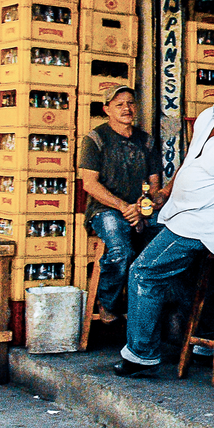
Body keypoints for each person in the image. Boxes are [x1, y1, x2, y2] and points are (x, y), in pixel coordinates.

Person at [113, 64, 214, 378]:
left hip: (204, 223)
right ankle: (201, 343)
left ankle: (141, 356)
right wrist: (163, 194)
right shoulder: (206, 117)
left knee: (143, 271)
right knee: (146, 245)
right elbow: (189, 163)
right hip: (177, 211)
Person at [78, 85, 163, 325]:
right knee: (120, 251)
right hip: (106, 210)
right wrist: (124, 207)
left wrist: (145, 206)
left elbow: (155, 184)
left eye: (130, 103)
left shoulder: (145, 141)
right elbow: (89, 184)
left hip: (140, 210)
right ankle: (109, 303)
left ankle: (156, 309)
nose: (126, 108)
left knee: (169, 242)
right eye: (119, 104)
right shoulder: (95, 139)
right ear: (106, 109)